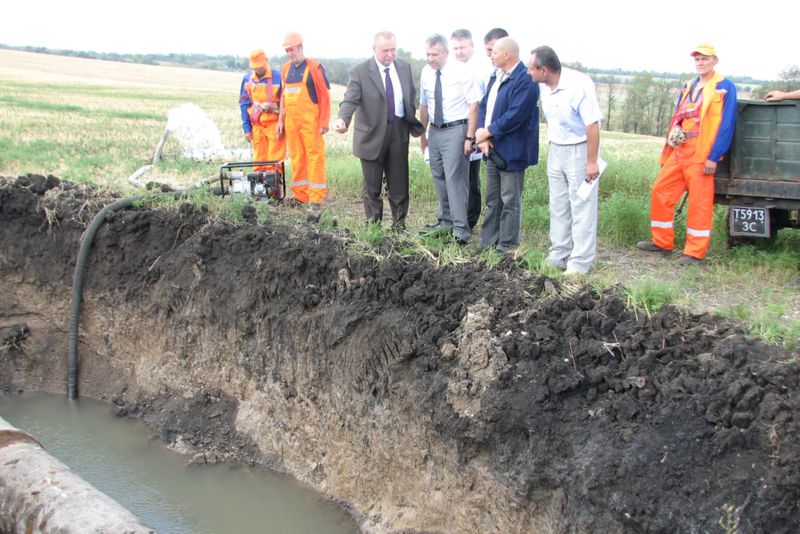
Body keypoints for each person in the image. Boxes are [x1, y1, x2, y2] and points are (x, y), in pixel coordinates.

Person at [636, 43, 737, 265]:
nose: (700, 63)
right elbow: (678, 117)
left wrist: (714, 156)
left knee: (699, 203)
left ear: (715, 61)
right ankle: (662, 243)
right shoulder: (689, 85)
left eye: (705, 59)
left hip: (702, 153)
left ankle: (694, 253)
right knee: (661, 191)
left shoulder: (724, 86)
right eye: (697, 59)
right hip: (680, 150)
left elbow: (726, 125)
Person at [333, 31, 424, 229]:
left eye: (393, 50)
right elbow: (350, 99)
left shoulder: (404, 67)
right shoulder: (361, 71)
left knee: (399, 183)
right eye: (385, 51)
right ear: (374, 48)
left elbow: (410, 95)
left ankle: (399, 226)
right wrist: (343, 119)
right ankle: (373, 227)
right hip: (372, 134)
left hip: (398, 130)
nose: (390, 55)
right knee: (372, 185)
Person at [529, 45, 603, 275]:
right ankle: (559, 254)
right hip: (556, 149)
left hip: (579, 151)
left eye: (531, 68)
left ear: (544, 69)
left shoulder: (578, 85)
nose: (529, 72)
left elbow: (592, 125)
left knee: (581, 206)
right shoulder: (543, 86)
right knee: (558, 205)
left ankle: (579, 264)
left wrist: (591, 162)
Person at [475, 37, 539, 253]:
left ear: (507, 55)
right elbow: (485, 105)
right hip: (492, 148)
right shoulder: (498, 76)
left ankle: (507, 245)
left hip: (513, 150)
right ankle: (487, 244)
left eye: (494, 52)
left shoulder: (525, 79)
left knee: (510, 200)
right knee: (493, 199)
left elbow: (516, 115)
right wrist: (481, 134)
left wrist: (489, 132)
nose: (491, 55)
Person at [419, 34, 482, 245]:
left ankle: (461, 230)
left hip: (456, 129)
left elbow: (474, 106)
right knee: (439, 176)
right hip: (434, 131)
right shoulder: (426, 73)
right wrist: (423, 136)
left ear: (445, 53)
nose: (430, 58)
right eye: (427, 54)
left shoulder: (463, 72)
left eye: (434, 54)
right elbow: (424, 105)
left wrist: (469, 138)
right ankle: (445, 222)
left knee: (456, 181)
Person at [277, 32, 331, 222]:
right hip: (292, 122)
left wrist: (324, 122)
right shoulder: (285, 69)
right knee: (297, 157)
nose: (289, 53)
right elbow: (283, 96)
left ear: (300, 47)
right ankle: (300, 195)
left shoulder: (314, 68)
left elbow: (325, 96)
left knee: (314, 157)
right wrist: (280, 120)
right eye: (286, 50)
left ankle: (315, 198)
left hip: (311, 122)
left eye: (291, 49)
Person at [451, 29, 493, 230]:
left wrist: (476, 135)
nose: (459, 52)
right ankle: (456, 218)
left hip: (476, 131)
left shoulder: (480, 69)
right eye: (455, 48)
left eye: (462, 47)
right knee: (458, 177)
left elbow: (480, 105)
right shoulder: (454, 68)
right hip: (457, 130)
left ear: (472, 46)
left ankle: (470, 219)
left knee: (472, 177)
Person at [239, 49, 286, 172]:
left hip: (274, 126)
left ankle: (274, 190)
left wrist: (281, 122)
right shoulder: (247, 79)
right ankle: (259, 190)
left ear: (266, 61)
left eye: (259, 66)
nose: (257, 70)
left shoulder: (279, 78)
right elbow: (244, 104)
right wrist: (247, 128)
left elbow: (285, 104)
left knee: (274, 165)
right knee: (258, 165)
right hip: (257, 127)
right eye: (254, 67)